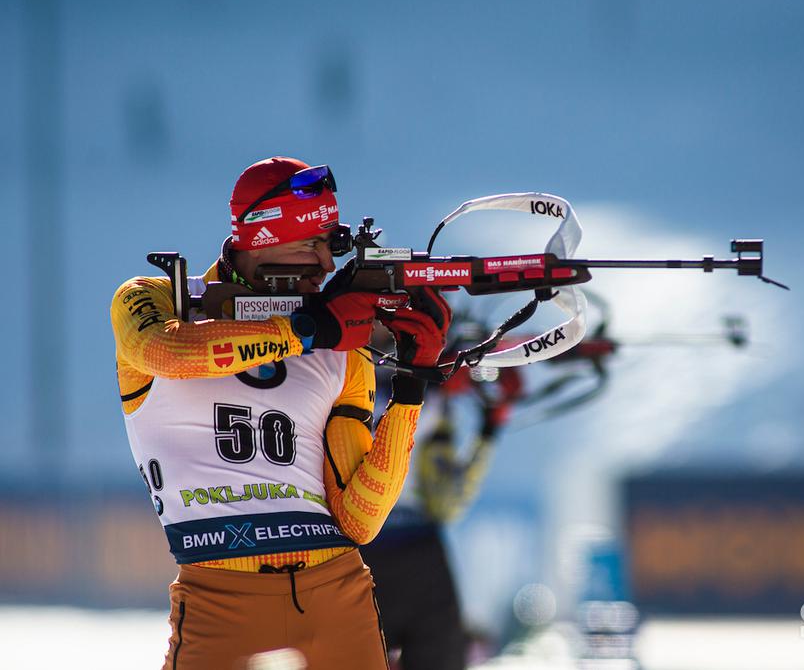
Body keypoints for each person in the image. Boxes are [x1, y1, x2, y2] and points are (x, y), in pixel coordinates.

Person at [110, 156, 450, 669]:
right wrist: (305, 331)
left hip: (337, 591)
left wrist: (411, 386)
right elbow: (168, 353)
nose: (326, 263)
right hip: (218, 596)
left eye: (329, 244)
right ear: (263, 239)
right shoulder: (157, 299)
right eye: (311, 243)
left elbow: (359, 520)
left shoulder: (343, 350)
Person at [359, 360, 521, 670]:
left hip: (379, 543)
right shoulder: (431, 395)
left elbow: (449, 499)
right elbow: (450, 498)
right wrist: (486, 418)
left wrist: (489, 423)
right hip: (389, 544)